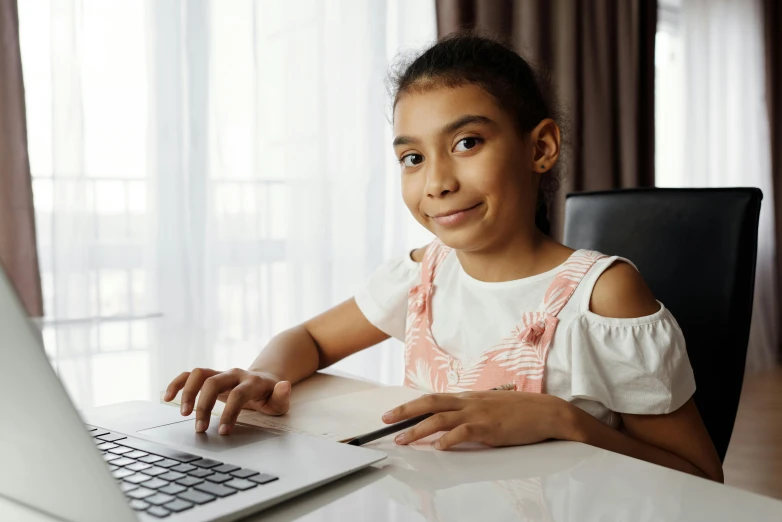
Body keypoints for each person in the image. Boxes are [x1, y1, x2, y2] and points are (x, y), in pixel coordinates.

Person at [164, 32, 723, 482]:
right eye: (412, 157)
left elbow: (700, 477)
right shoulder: (421, 275)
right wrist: (264, 373)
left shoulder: (603, 296)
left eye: (466, 143)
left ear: (540, 148)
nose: (436, 183)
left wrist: (564, 420)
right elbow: (309, 340)